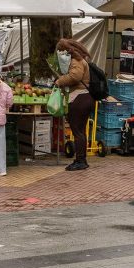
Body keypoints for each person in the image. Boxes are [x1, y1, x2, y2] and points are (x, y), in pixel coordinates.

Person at [54, 38, 93, 171]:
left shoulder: (76, 61)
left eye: (61, 51)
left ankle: (80, 161)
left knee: (77, 131)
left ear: (66, 50)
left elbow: (75, 77)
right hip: (85, 98)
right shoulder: (81, 59)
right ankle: (82, 159)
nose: (60, 54)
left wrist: (59, 81)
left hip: (79, 98)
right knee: (80, 131)